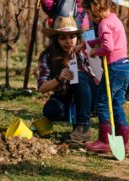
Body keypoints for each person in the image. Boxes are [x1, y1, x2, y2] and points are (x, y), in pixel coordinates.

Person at [80, 0, 129, 154]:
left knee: (102, 102)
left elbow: (107, 47)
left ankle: (105, 140)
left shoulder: (103, 23)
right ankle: (123, 142)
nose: (88, 16)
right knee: (116, 104)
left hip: (114, 68)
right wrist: (87, 44)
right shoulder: (113, 19)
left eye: (88, 12)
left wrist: (95, 51)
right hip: (125, 67)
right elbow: (104, 39)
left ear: (95, 8)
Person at [37, 16, 98, 144]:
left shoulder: (86, 50)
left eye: (72, 37)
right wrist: (59, 78)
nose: (68, 41)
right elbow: (42, 88)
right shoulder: (48, 55)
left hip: (89, 95)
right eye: (63, 37)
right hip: (65, 96)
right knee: (50, 110)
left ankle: (83, 126)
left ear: (77, 37)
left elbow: (99, 75)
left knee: (80, 77)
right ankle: (76, 120)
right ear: (56, 39)